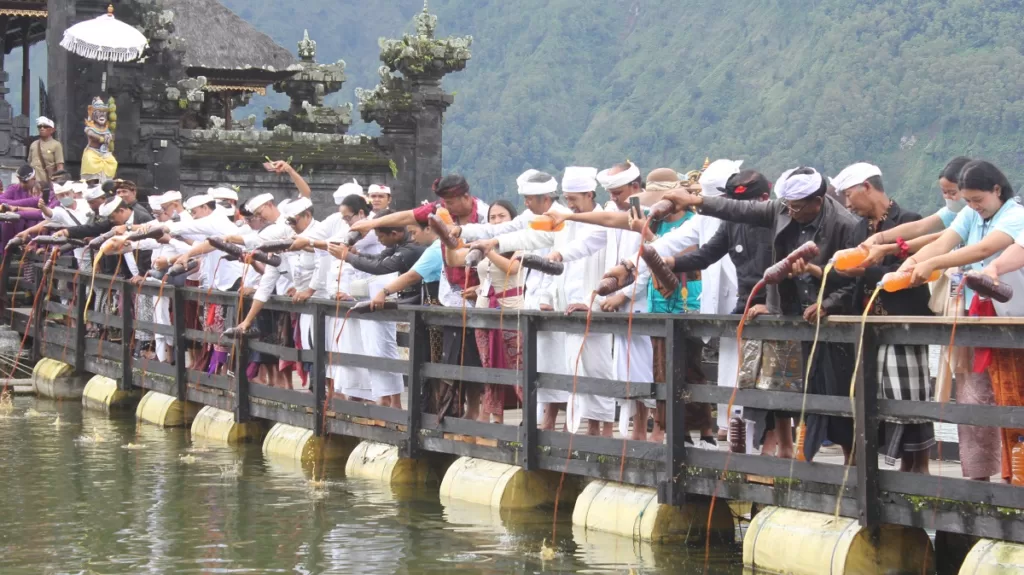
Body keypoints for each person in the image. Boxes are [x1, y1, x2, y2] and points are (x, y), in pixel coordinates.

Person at [660, 166, 860, 462]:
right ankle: (791, 452)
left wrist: (828, 303)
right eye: (787, 206)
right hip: (787, 311)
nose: (790, 212)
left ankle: (851, 461)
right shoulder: (779, 210)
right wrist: (695, 203)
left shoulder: (844, 224)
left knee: (836, 388)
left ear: (817, 202)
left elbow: (854, 278)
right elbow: (731, 214)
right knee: (780, 382)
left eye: (796, 207)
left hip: (828, 314)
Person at [901, 160, 1024, 482]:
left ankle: (1015, 475)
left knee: (1011, 396)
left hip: (1009, 321)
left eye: (978, 200)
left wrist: (936, 263)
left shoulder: (1015, 216)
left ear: (997, 190)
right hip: (973, 316)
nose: (972, 207)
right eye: (968, 201)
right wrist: (911, 264)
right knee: (972, 397)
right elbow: (943, 241)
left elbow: (983, 250)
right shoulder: (970, 213)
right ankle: (978, 478)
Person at [350, 175, 489, 419]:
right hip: (450, 296)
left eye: (452, 202)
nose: (448, 208)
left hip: (481, 294)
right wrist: (371, 225)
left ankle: (480, 416)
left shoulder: (486, 216)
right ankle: (454, 414)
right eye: (444, 202)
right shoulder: (441, 212)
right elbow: (408, 215)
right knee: (452, 360)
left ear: (467, 197)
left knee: (478, 359)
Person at [665, 169, 777, 455]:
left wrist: (773, 305)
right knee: (743, 377)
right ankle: (743, 450)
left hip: (777, 307)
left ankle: (775, 452)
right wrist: (669, 262)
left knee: (773, 383)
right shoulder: (731, 223)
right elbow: (706, 255)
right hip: (746, 305)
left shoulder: (777, 219)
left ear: (764, 198)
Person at [833, 162, 934, 473]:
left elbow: (910, 276)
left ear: (868, 187)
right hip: (866, 324)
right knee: (873, 400)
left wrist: (866, 270)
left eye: (850, 195)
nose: (847, 204)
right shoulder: (856, 229)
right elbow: (848, 276)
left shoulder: (909, 222)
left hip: (902, 320)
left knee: (909, 400)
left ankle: (917, 471)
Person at [461, 170, 571, 430]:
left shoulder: (563, 219)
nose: (525, 204)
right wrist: (462, 232)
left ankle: (563, 422)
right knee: (537, 361)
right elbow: (511, 233)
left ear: (544, 198)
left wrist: (491, 245)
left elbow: (543, 255)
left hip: (555, 298)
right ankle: (541, 419)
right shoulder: (532, 218)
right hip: (528, 299)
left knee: (557, 363)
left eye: (529, 199)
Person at [333, 207, 426, 407]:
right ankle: (394, 402)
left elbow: (381, 267)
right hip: (408, 301)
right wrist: (354, 254)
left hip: (423, 301)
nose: (379, 240)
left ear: (395, 233)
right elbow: (378, 259)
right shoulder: (400, 243)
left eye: (380, 236)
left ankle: (411, 407)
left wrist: (348, 257)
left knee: (420, 359)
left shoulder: (412, 247)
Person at [27, 117, 64, 184]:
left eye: (45, 126)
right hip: (33, 184)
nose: (42, 128)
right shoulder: (33, 144)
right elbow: (29, 164)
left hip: (47, 183)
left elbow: (60, 167)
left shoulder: (56, 145)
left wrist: (58, 183)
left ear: (52, 130)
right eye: (40, 126)